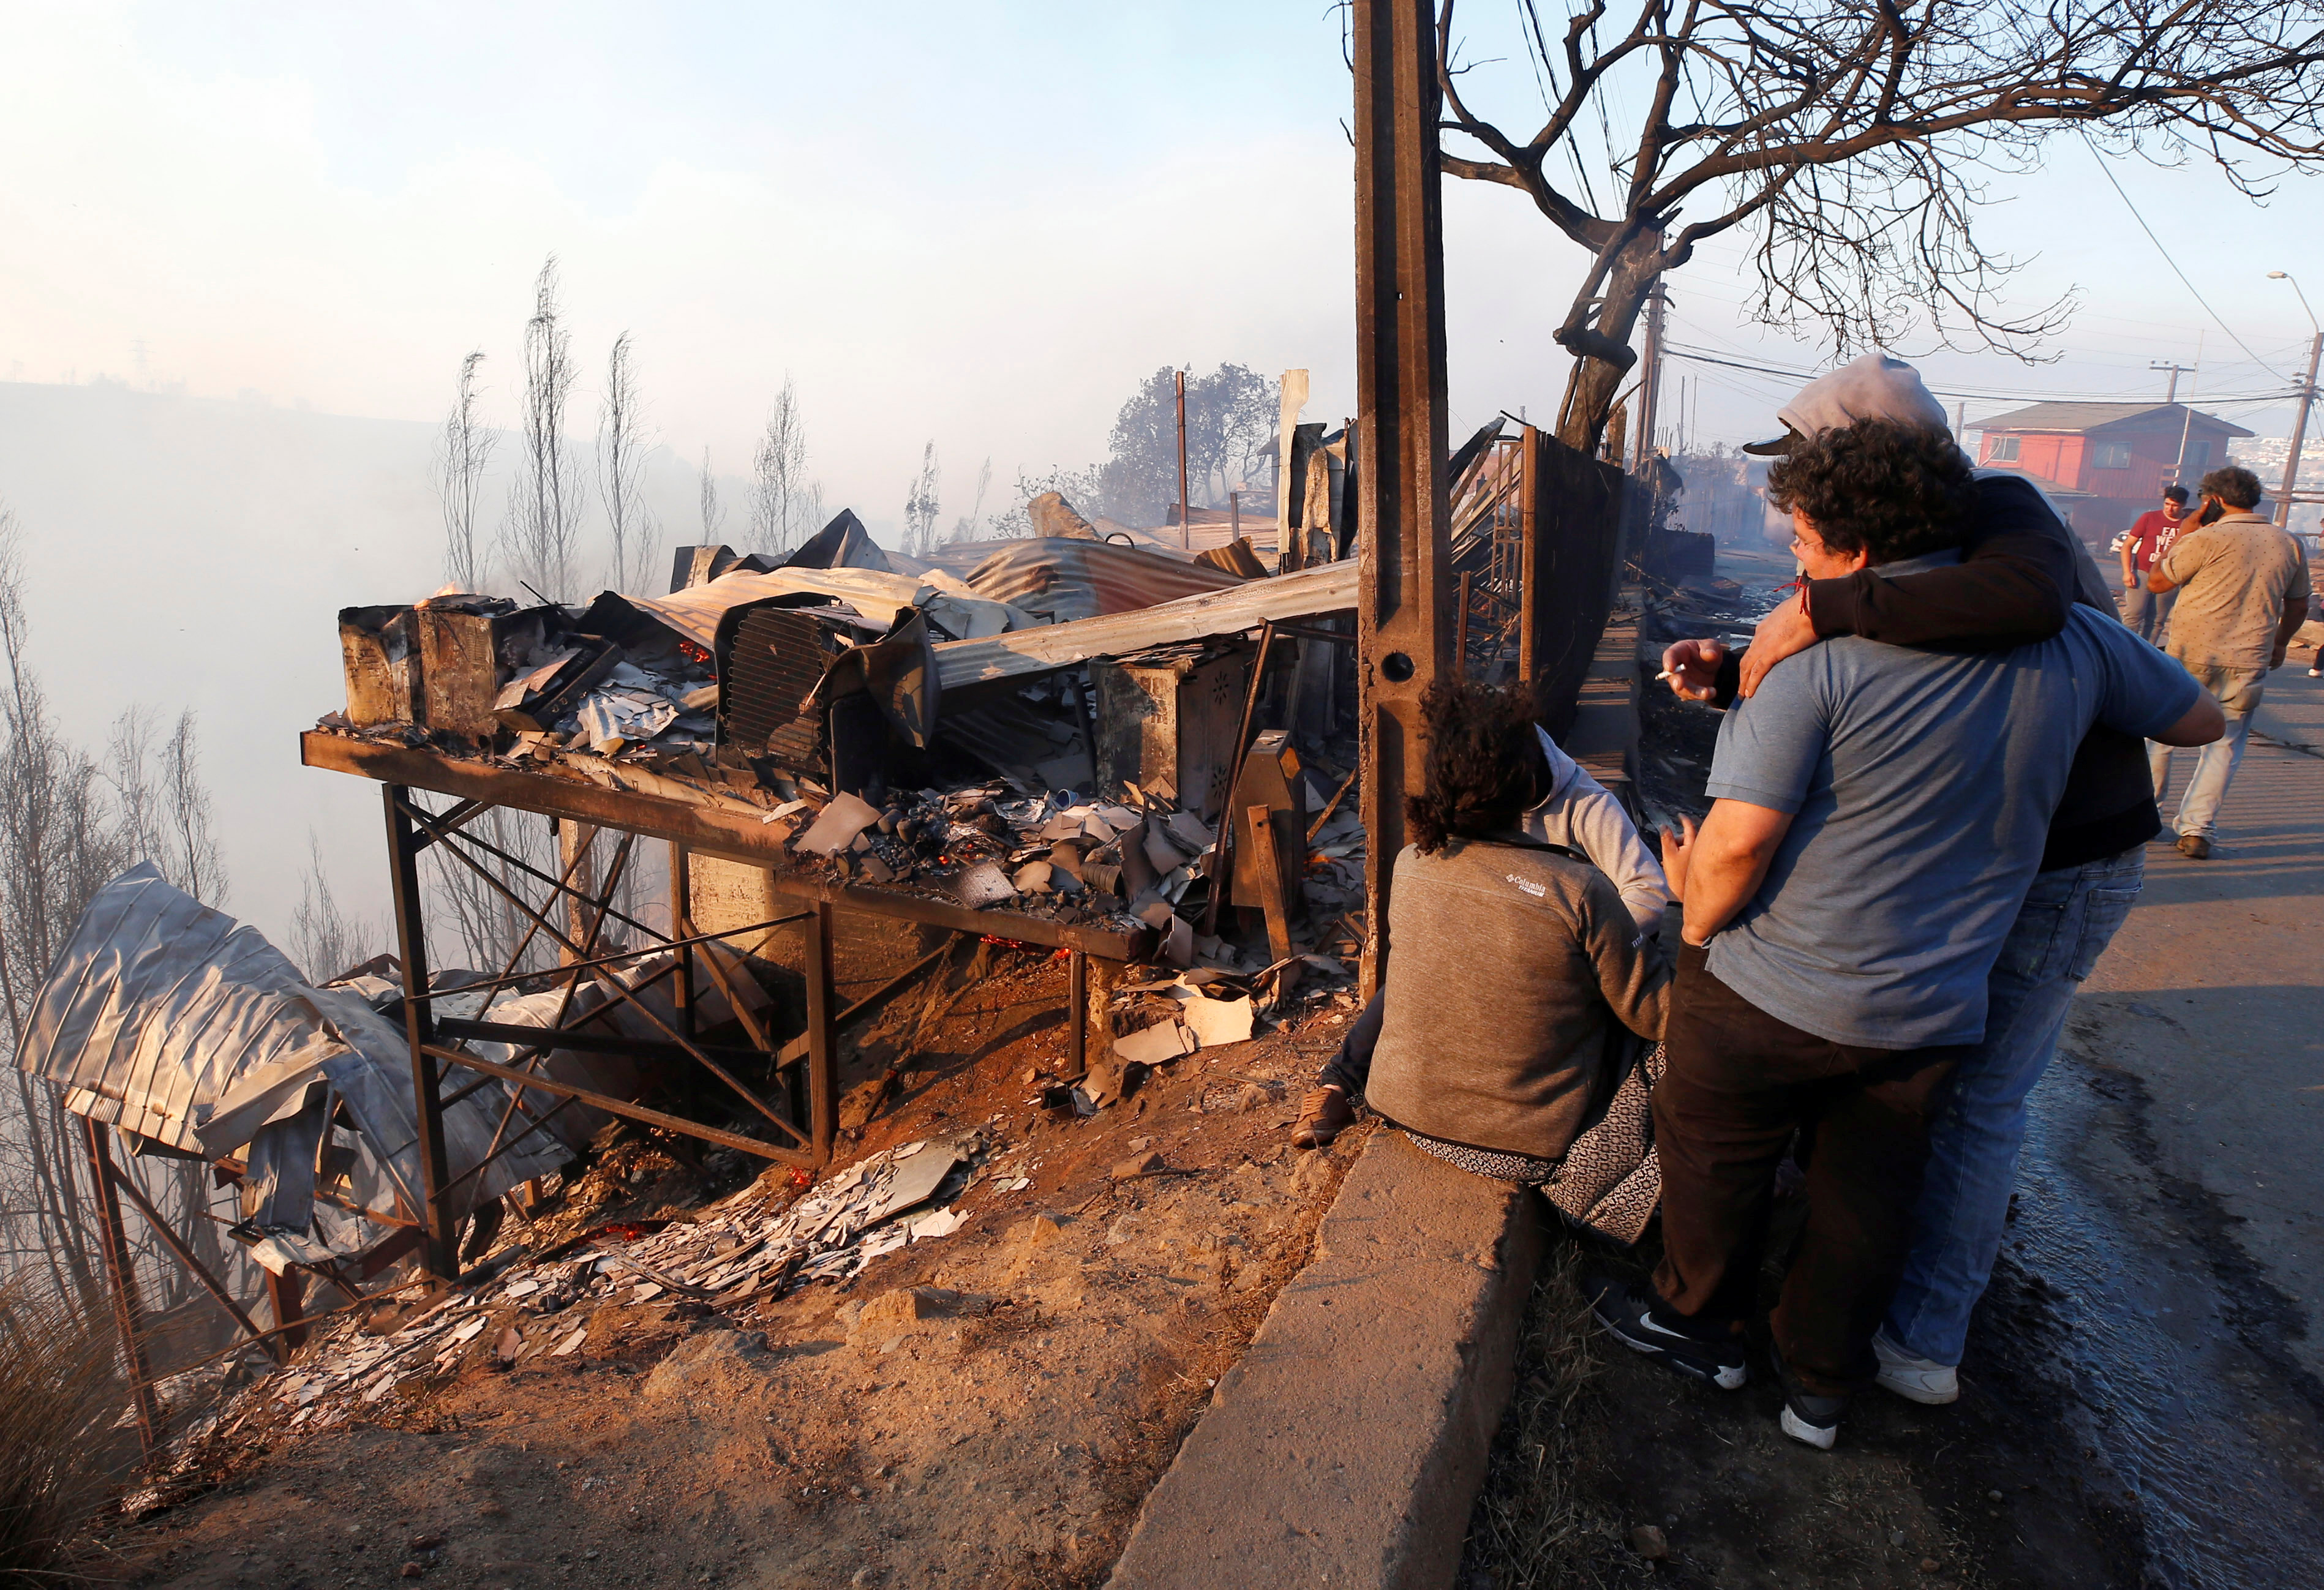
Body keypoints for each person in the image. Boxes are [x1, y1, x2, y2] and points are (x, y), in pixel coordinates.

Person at [1590, 416, 2219, 1452]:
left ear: (1854, 552)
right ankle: (1822, 1389)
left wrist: (1695, 924)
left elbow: (1740, 850)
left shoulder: (1809, 660)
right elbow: (2195, 720)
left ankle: (1702, 1326)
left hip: (1772, 987)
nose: (1794, 562)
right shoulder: (2075, 638)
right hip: (1933, 1004)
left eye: (1798, 542)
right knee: (1866, 1191)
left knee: (1716, 1146)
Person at [1347, 678, 1671, 1194]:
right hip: (1526, 1147)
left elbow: (1640, 891)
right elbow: (1662, 1016)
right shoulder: (1579, 886)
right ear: (1524, 778)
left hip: (1406, 1113)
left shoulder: (1411, 863)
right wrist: (1701, 929)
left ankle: (1342, 1078)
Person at [2145, 465, 2313, 857]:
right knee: (2224, 747)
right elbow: (2299, 603)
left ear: (2213, 502)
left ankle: (2146, 815)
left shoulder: (2204, 538)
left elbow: (2157, 582)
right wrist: (2281, 643)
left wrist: (2186, 532)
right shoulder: (2288, 542)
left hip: (2189, 656)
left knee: (2160, 738)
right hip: (2248, 658)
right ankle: (2197, 830)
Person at [2118, 485, 2191, 642]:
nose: (2170, 509)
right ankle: (2124, 648)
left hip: (2169, 576)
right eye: (2167, 504)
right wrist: (2127, 572)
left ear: (2183, 505)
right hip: (2143, 572)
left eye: (2175, 505)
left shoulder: (2189, 523)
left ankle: (2148, 652)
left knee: (2157, 620)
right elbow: (2128, 545)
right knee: (2134, 614)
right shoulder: (2149, 518)